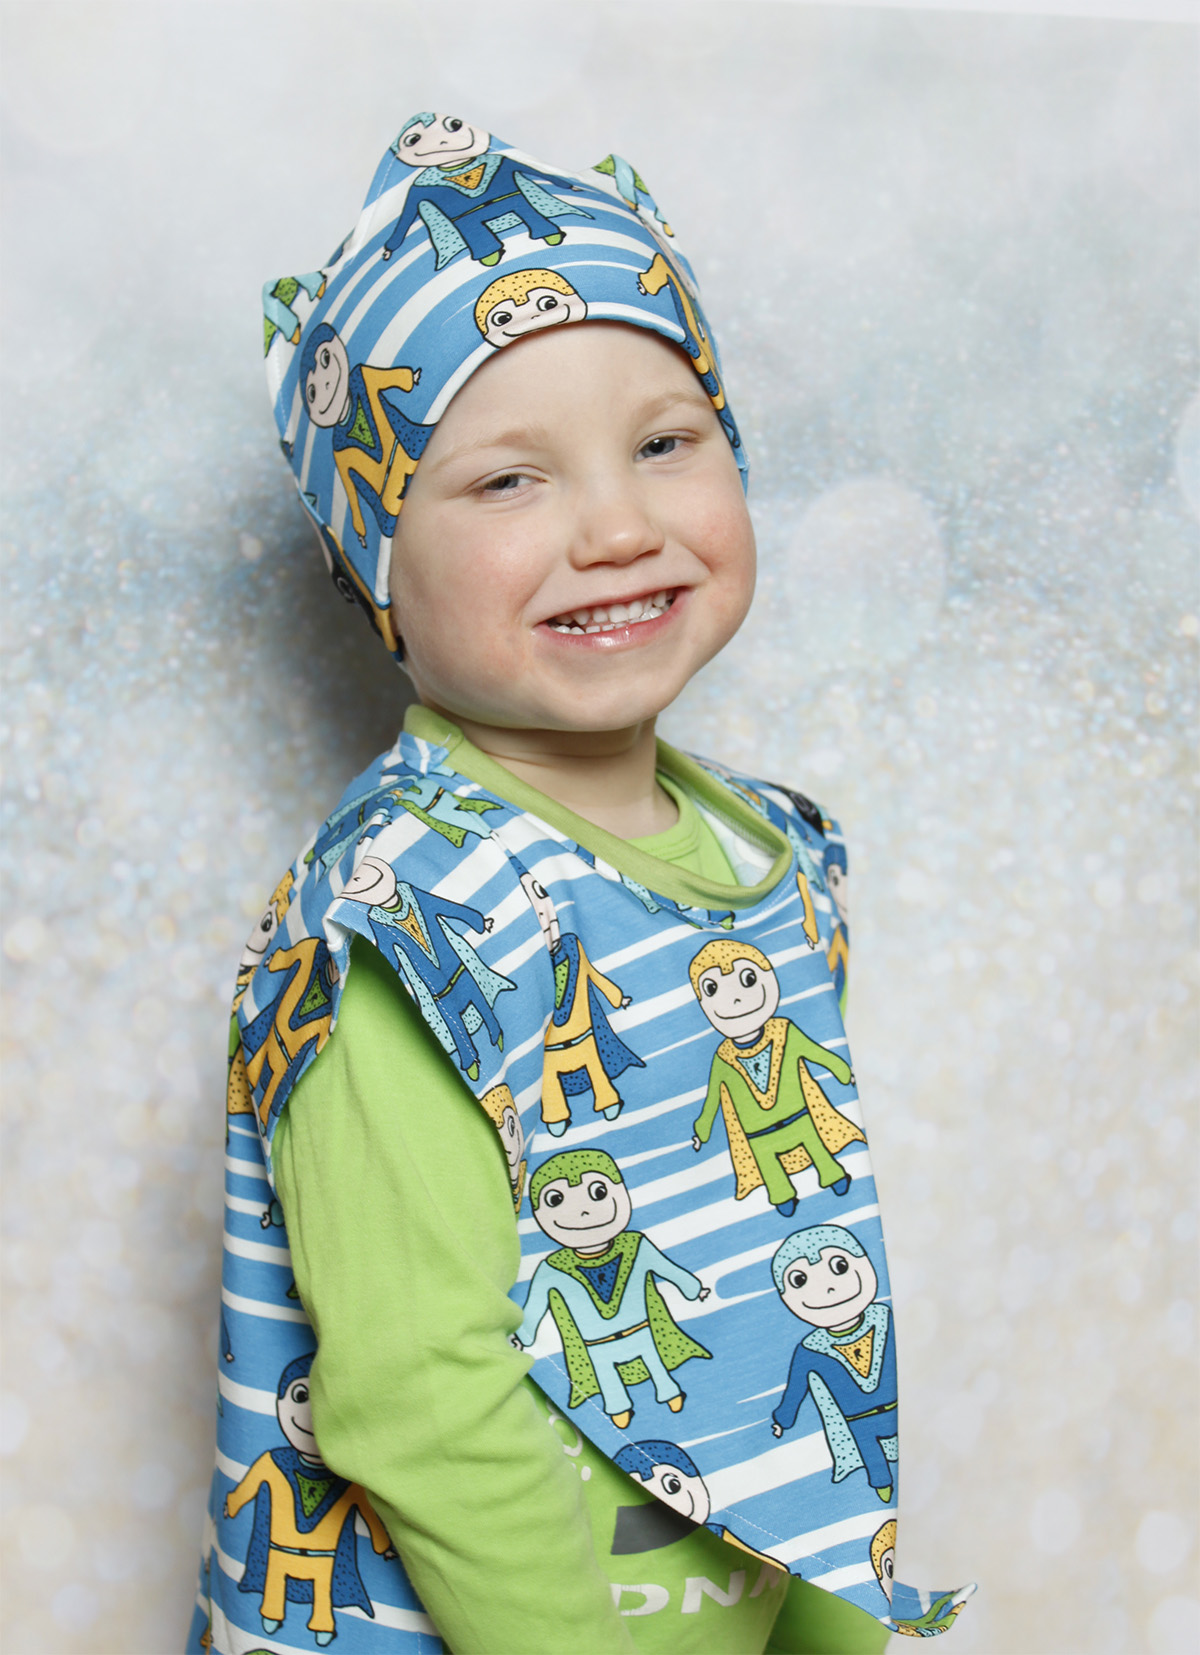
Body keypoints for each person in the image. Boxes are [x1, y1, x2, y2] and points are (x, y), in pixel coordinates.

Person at [190, 112, 970, 1654]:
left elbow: (780, 1308)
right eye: (507, 481)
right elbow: (419, 1395)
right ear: (377, 564)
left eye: (665, 444)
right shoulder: (403, 917)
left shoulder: (769, 857)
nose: (618, 527)